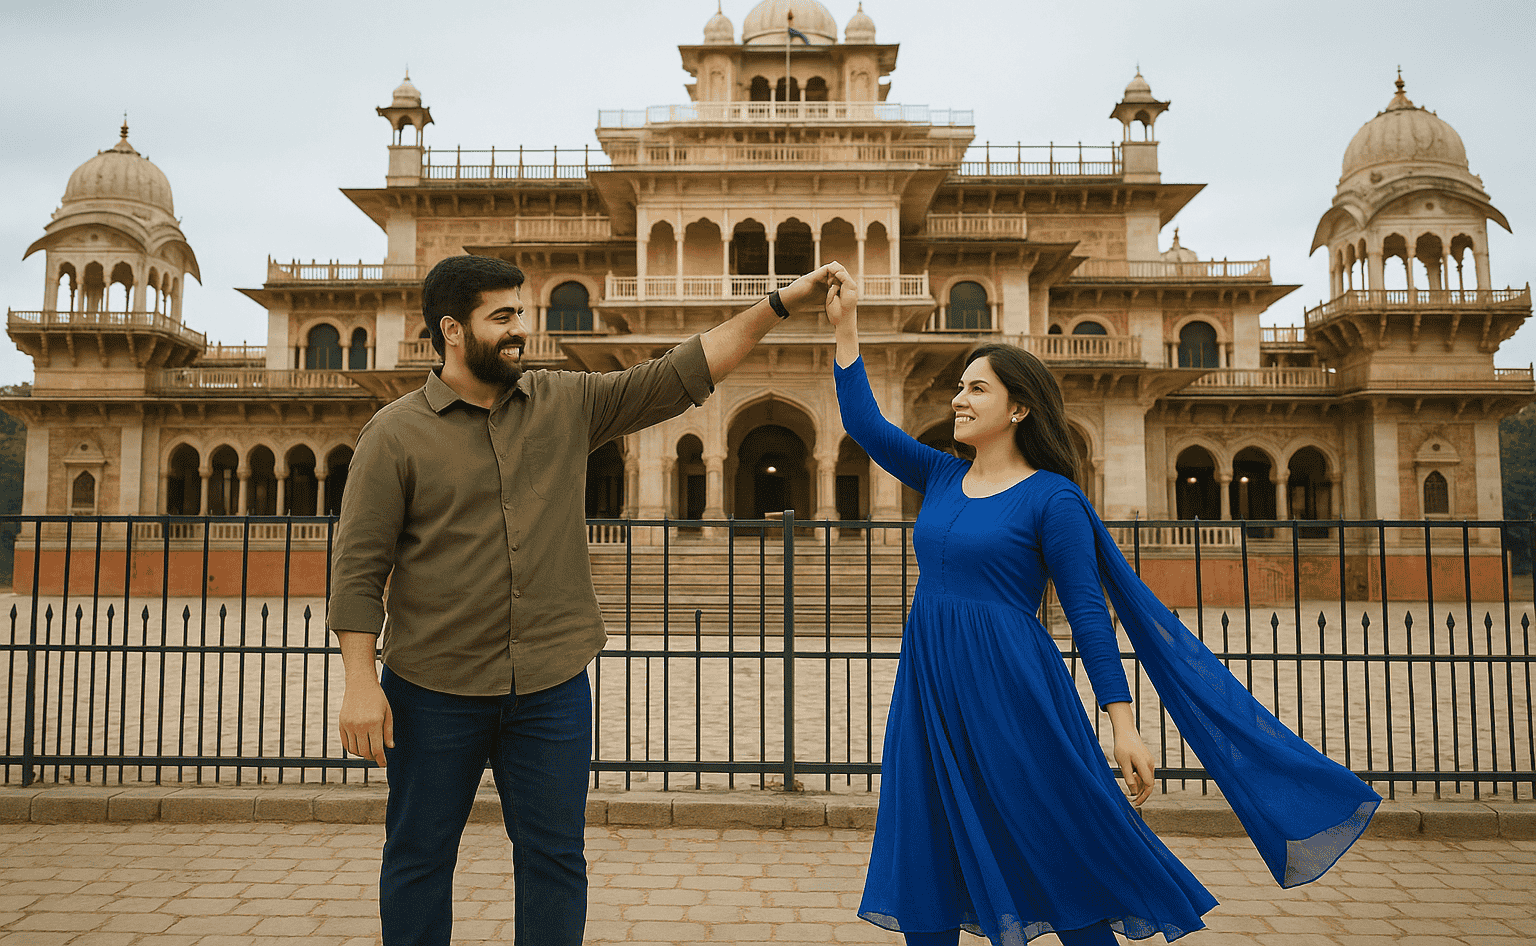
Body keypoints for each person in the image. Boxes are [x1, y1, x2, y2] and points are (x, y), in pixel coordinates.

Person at [823, 272, 1380, 946]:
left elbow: (1088, 616)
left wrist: (1123, 726)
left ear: (1019, 408)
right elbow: (863, 424)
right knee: (927, 841)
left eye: (976, 388)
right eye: (959, 386)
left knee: (1060, 839)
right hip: (931, 692)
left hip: (1015, 691)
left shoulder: (1051, 499)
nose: (956, 398)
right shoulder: (942, 475)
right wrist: (846, 326)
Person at [328, 254, 844, 946]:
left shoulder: (564, 402)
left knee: (555, 861)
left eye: (523, 313)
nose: (521, 330)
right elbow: (360, 566)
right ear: (453, 330)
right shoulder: (394, 434)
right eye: (503, 316)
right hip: (433, 686)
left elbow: (683, 373)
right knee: (419, 858)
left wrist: (781, 303)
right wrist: (360, 682)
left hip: (549, 684)